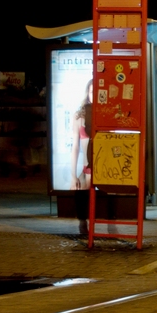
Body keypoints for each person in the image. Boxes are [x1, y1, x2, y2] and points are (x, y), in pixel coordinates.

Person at [71, 80, 93, 236]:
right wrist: (73, 174)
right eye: (92, 92)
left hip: (101, 163)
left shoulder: (107, 113)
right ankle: (82, 221)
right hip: (87, 164)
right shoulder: (80, 116)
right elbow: (75, 147)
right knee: (82, 190)